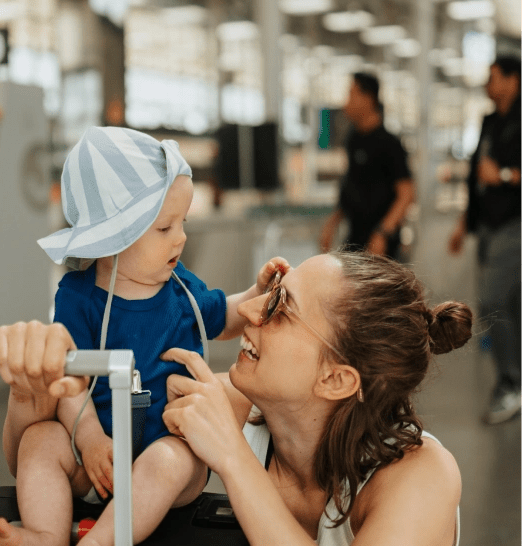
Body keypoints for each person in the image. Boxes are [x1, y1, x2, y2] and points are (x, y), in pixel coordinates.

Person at [0, 126, 289, 546]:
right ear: (114, 237)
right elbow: (69, 377)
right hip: (91, 457)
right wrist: (90, 439)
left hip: (166, 453)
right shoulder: (78, 297)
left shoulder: (180, 286)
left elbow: (222, 317)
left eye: (182, 222)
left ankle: (100, 542)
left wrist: (256, 294)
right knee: (39, 440)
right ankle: (44, 533)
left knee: (169, 459)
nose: (181, 237)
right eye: (165, 227)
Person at [162, 252, 472, 545]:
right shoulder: (231, 407)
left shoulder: (424, 476)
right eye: (271, 291)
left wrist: (232, 456)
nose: (247, 309)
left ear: (336, 379)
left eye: (280, 307)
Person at [448, 55, 521, 425]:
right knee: (511, 304)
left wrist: (505, 176)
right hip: (489, 226)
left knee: (493, 299)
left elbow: (496, 174)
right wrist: (464, 224)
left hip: (515, 222)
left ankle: (510, 383)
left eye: (494, 77)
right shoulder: (491, 121)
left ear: (512, 81)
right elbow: (478, 178)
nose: (488, 84)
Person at [319, 73, 415, 260]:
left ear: (368, 98)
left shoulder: (389, 144)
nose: (346, 101)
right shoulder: (353, 139)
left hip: (383, 248)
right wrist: (332, 224)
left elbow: (407, 194)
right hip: (355, 241)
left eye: (351, 93)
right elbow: (351, 186)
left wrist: (383, 233)